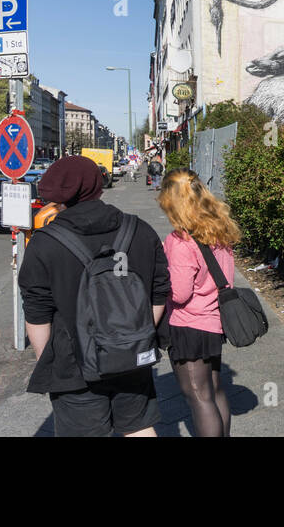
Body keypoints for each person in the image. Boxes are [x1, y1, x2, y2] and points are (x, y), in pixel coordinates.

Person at [18, 155, 170, 437]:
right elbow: (159, 292)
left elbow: (37, 313)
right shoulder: (140, 230)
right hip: (132, 356)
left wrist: (48, 360)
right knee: (139, 428)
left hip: (73, 365)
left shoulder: (44, 243)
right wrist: (135, 334)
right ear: (98, 187)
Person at [158, 168, 239, 437]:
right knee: (214, 391)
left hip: (189, 324)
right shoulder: (219, 230)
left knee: (198, 397)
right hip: (214, 321)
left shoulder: (180, 241)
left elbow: (180, 294)